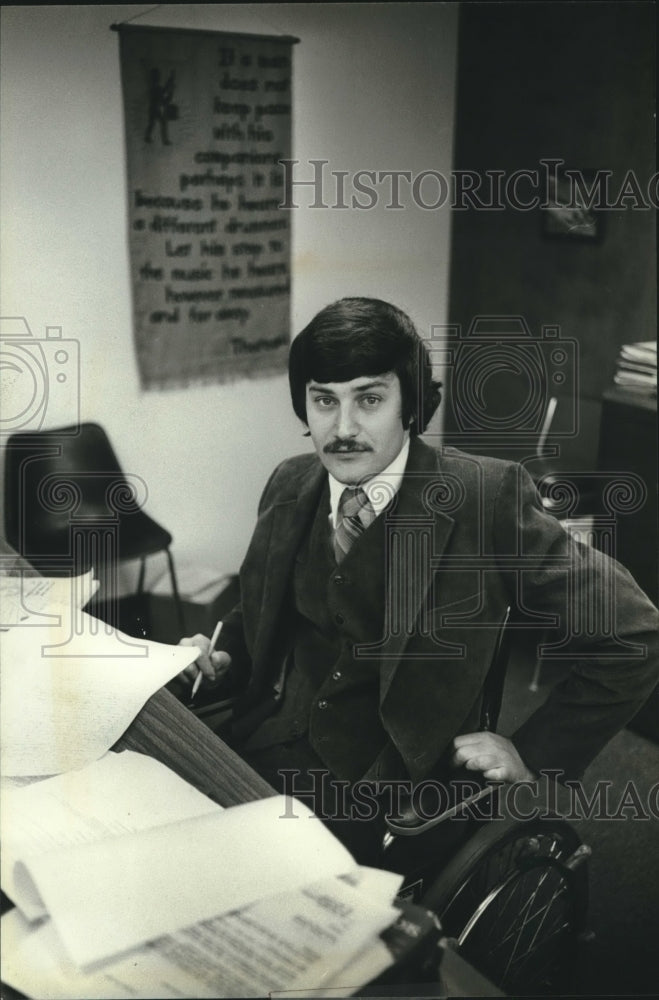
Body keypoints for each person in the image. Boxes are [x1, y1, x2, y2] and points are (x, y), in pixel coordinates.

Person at [179, 297, 659, 861]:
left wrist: (533, 756)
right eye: (324, 400)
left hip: (389, 792)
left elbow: (634, 632)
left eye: (370, 399)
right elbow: (255, 609)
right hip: (261, 742)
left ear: (410, 404)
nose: (343, 428)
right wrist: (223, 654)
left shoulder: (485, 498)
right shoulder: (289, 482)